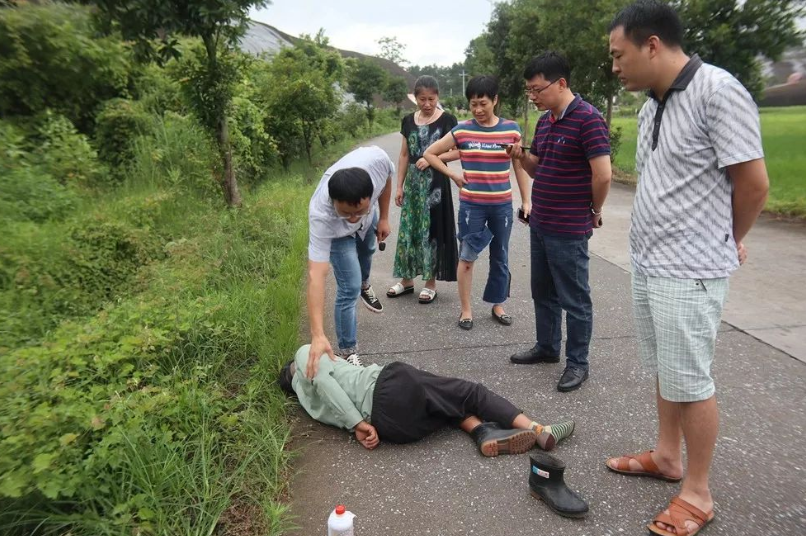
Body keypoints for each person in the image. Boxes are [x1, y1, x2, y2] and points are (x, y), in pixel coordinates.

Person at [606, 2, 769, 535]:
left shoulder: (718, 92)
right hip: (651, 262)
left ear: (652, 45)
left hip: (691, 266)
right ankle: (666, 455)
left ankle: (697, 492)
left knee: (691, 378)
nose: (615, 67)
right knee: (666, 367)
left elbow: (753, 184)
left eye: (619, 55)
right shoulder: (653, 104)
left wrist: (730, 239)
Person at [507, 52, 612, 393]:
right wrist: (522, 157)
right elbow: (539, 168)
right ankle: (548, 347)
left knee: (575, 299)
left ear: (561, 83)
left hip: (569, 227)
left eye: (537, 89)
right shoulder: (546, 121)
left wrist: (594, 210)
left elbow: (603, 174)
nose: (533, 96)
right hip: (541, 221)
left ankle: (578, 363)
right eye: (529, 91)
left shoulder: (588, 119)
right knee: (543, 291)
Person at [279, 345, 576, 456]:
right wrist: (356, 422)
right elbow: (325, 380)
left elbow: (329, 394)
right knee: (471, 393)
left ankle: (482, 431)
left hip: (394, 429)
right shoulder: (304, 357)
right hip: (388, 389)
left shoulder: (308, 405)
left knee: (444, 405)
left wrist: (359, 425)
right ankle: (539, 430)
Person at [424, 75, 531, 330]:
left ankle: (498, 305)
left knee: (500, 256)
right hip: (472, 206)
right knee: (468, 257)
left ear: (495, 100)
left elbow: (520, 167)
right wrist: (453, 175)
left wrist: (527, 200)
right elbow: (430, 153)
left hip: (502, 205)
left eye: (483, 103)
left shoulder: (511, 130)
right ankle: (466, 310)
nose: (478, 110)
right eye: (473, 104)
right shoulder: (462, 130)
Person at [307, 146, 394, 377]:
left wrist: (383, 217)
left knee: (367, 250)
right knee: (349, 288)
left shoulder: (378, 160)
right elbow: (316, 275)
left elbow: (386, 180)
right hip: (339, 234)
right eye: (346, 212)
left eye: (358, 211)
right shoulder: (321, 215)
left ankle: (366, 285)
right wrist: (317, 334)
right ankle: (348, 351)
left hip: (371, 218)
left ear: (369, 194)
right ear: (333, 201)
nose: (353, 218)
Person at [387, 75, 460, 304]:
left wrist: (431, 158)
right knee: (409, 230)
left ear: (438, 97)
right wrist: (399, 186)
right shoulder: (408, 121)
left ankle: (430, 283)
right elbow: (404, 154)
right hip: (413, 186)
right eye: (422, 99)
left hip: (436, 186)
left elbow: (459, 151)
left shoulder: (448, 120)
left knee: (433, 231)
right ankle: (407, 280)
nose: (427, 104)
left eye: (431, 98)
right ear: (415, 98)